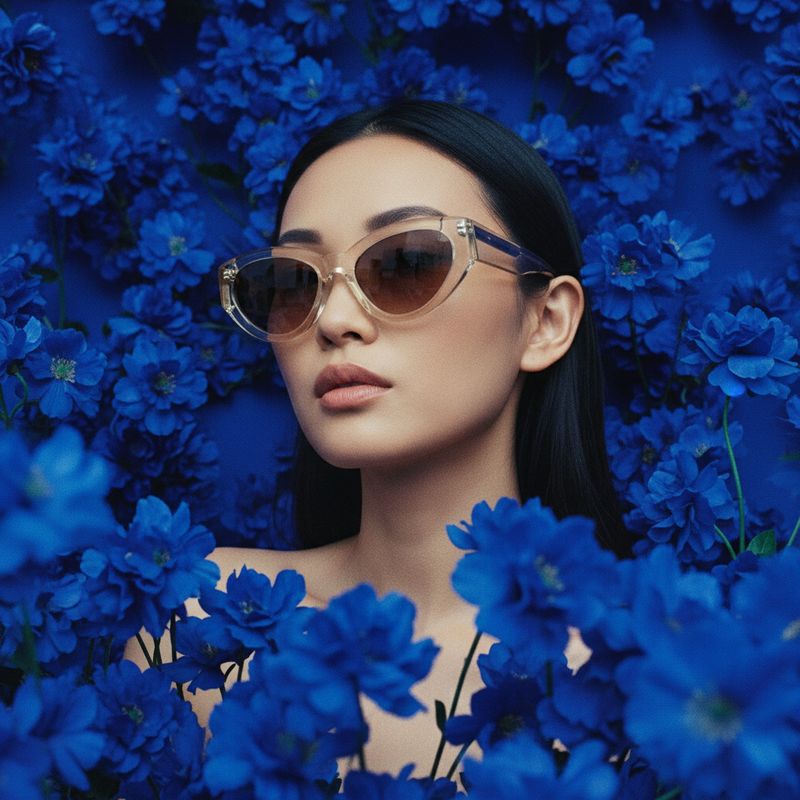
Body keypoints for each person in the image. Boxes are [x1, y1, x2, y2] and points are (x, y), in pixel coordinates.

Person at [129, 99, 630, 777]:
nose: (334, 320)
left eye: (405, 263)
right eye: (293, 283)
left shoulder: (630, 669)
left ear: (544, 321)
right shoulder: (195, 623)